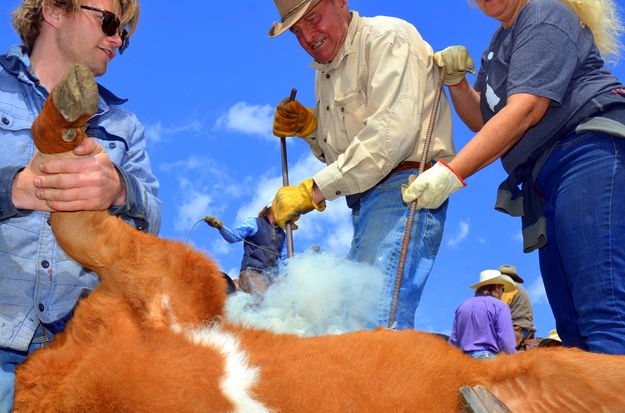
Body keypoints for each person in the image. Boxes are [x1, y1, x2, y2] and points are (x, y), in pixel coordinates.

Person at [402, 0, 625, 354]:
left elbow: (526, 109)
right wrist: (457, 83)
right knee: (572, 327)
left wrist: (451, 172)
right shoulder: (498, 44)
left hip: (586, 152)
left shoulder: (544, 13)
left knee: (604, 313)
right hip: (546, 177)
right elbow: (485, 120)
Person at [0, 1, 161, 411]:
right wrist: (15, 190)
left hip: (83, 355)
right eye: (109, 21)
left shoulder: (124, 126)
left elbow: (153, 221)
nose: (117, 38)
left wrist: (121, 192)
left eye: (124, 33)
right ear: (54, 10)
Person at [267, 0, 455, 329]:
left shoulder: (387, 37)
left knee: (372, 324)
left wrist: (313, 190)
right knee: (354, 325)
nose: (308, 36)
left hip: (404, 189)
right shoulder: (326, 71)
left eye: (312, 19)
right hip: (369, 200)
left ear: (340, 3)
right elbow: (340, 155)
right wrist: (311, 130)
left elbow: (388, 138)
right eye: (297, 30)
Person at [205, 205, 286, 294]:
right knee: (263, 298)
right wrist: (220, 226)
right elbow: (234, 237)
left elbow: (286, 259)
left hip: (270, 279)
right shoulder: (255, 223)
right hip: (251, 273)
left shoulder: (282, 234)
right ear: (271, 209)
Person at [449, 270, 518, 360]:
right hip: (486, 359)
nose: (502, 293)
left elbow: (454, 340)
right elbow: (507, 342)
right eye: (503, 289)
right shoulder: (500, 306)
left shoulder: (462, 306)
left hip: (463, 362)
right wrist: (514, 359)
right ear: (496, 287)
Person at [498, 264, 536, 348]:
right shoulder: (518, 287)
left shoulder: (509, 287)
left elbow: (499, 308)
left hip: (516, 330)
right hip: (525, 329)